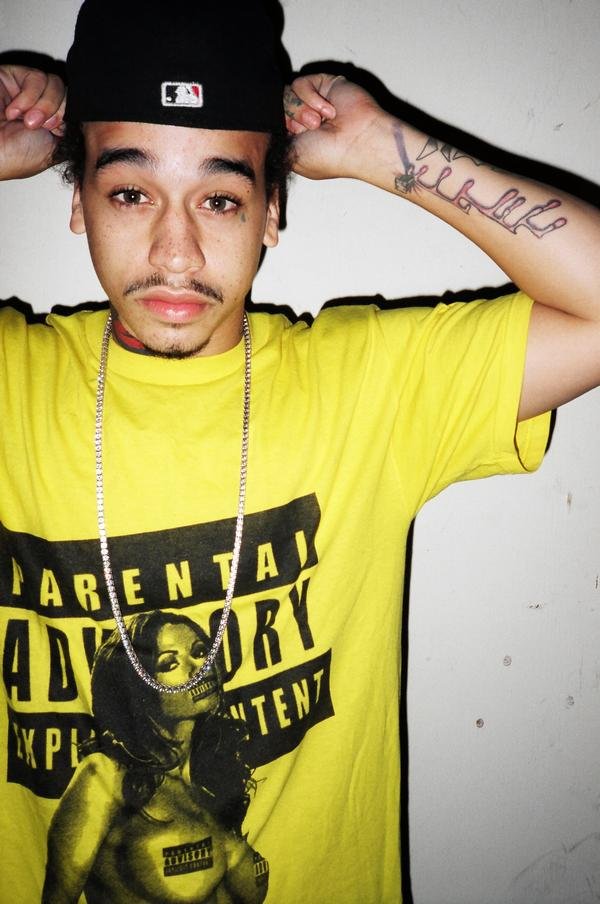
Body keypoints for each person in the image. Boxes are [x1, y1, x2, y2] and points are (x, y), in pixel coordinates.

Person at [0, 1, 599, 903]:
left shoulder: (365, 387)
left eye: (220, 199)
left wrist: (384, 150)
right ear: (79, 202)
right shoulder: (12, 385)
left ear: (270, 211)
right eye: (129, 193)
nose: (175, 251)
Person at [43, 611, 268, 903]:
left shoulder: (210, 780)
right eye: (169, 663)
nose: (198, 668)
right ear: (136, 688)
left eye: (200, 652)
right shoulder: (105, 776)